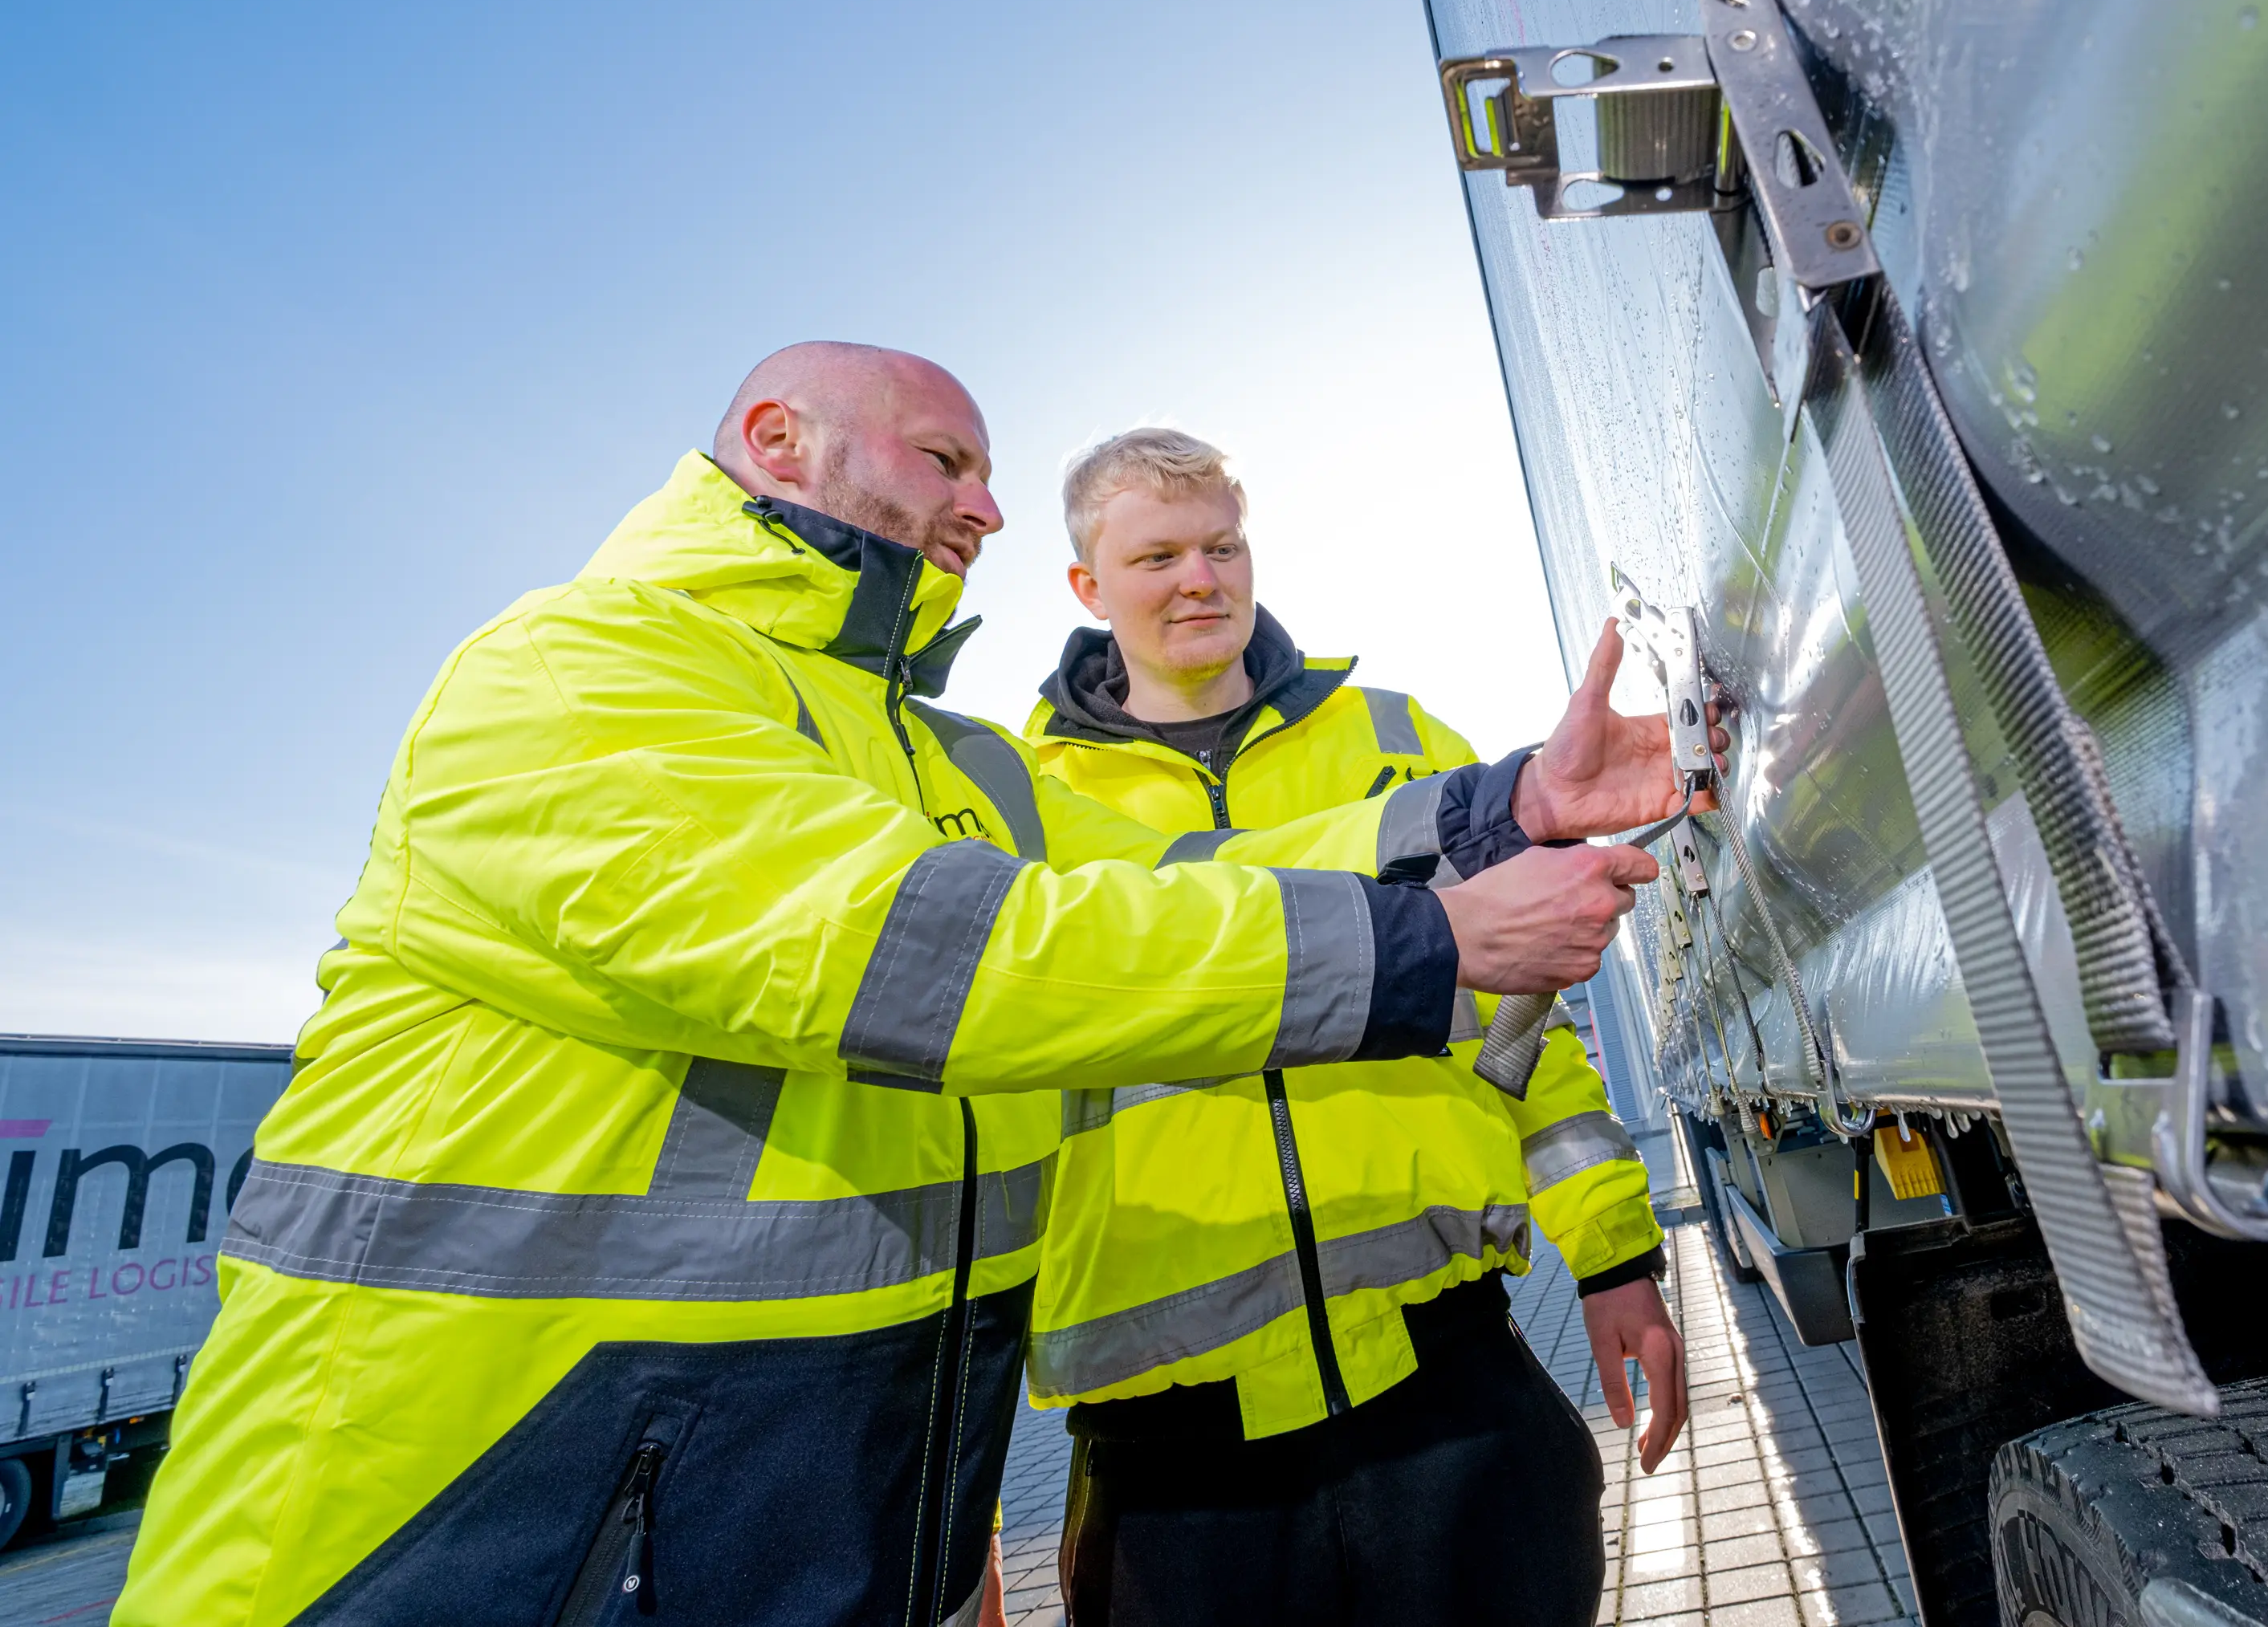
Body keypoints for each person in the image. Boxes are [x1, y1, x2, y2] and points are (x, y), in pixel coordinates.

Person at [116, 344, 1704, 1627]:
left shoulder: (949, 759)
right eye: (948, 460)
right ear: (776, 437)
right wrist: (1430, 943)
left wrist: (1502, 809)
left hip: (817, 1510)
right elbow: (917, 955)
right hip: (467, 1526)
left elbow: (1186, 881)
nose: (986, 506)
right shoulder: (580, 666)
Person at [1021, 429, 1690, 1627]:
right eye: (1157, 554)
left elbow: (1522, 1024)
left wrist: (1613, 1255)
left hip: (1452, 1384)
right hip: (1176, 1455)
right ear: (1086, 585)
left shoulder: (1396, 743)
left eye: (1221, 544)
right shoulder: (1022, 802)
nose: (1199, 578)